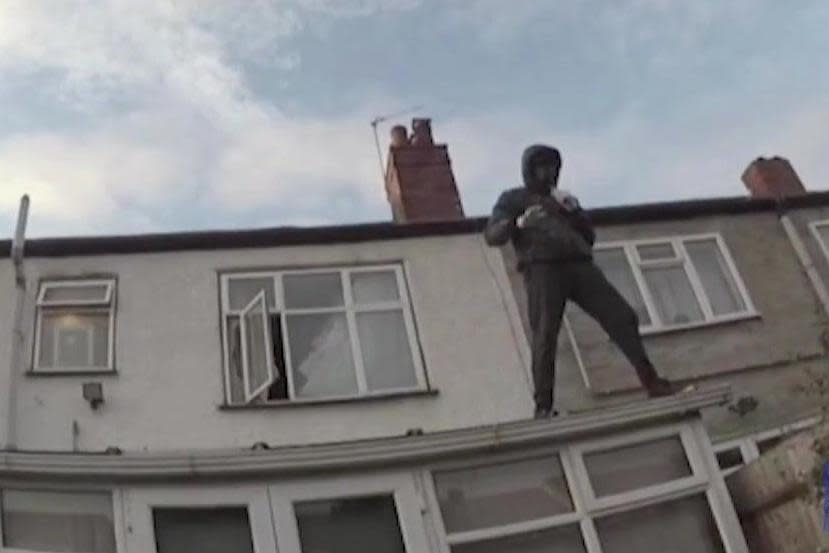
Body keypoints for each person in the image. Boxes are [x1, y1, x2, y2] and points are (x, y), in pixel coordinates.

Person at [485, 144, 674, 419]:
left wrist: (574, 212)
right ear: (530, 169)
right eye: (541, 167)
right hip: (542, 268)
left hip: (579, 264)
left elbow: (589, 237)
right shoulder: (514, 198)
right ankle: (543, 406)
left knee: (622, 316)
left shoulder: (563, 200)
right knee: (546, 334)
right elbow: (492, 235)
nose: (547, 173)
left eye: (552, 167)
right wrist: (519, 223)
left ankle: (651, 381)